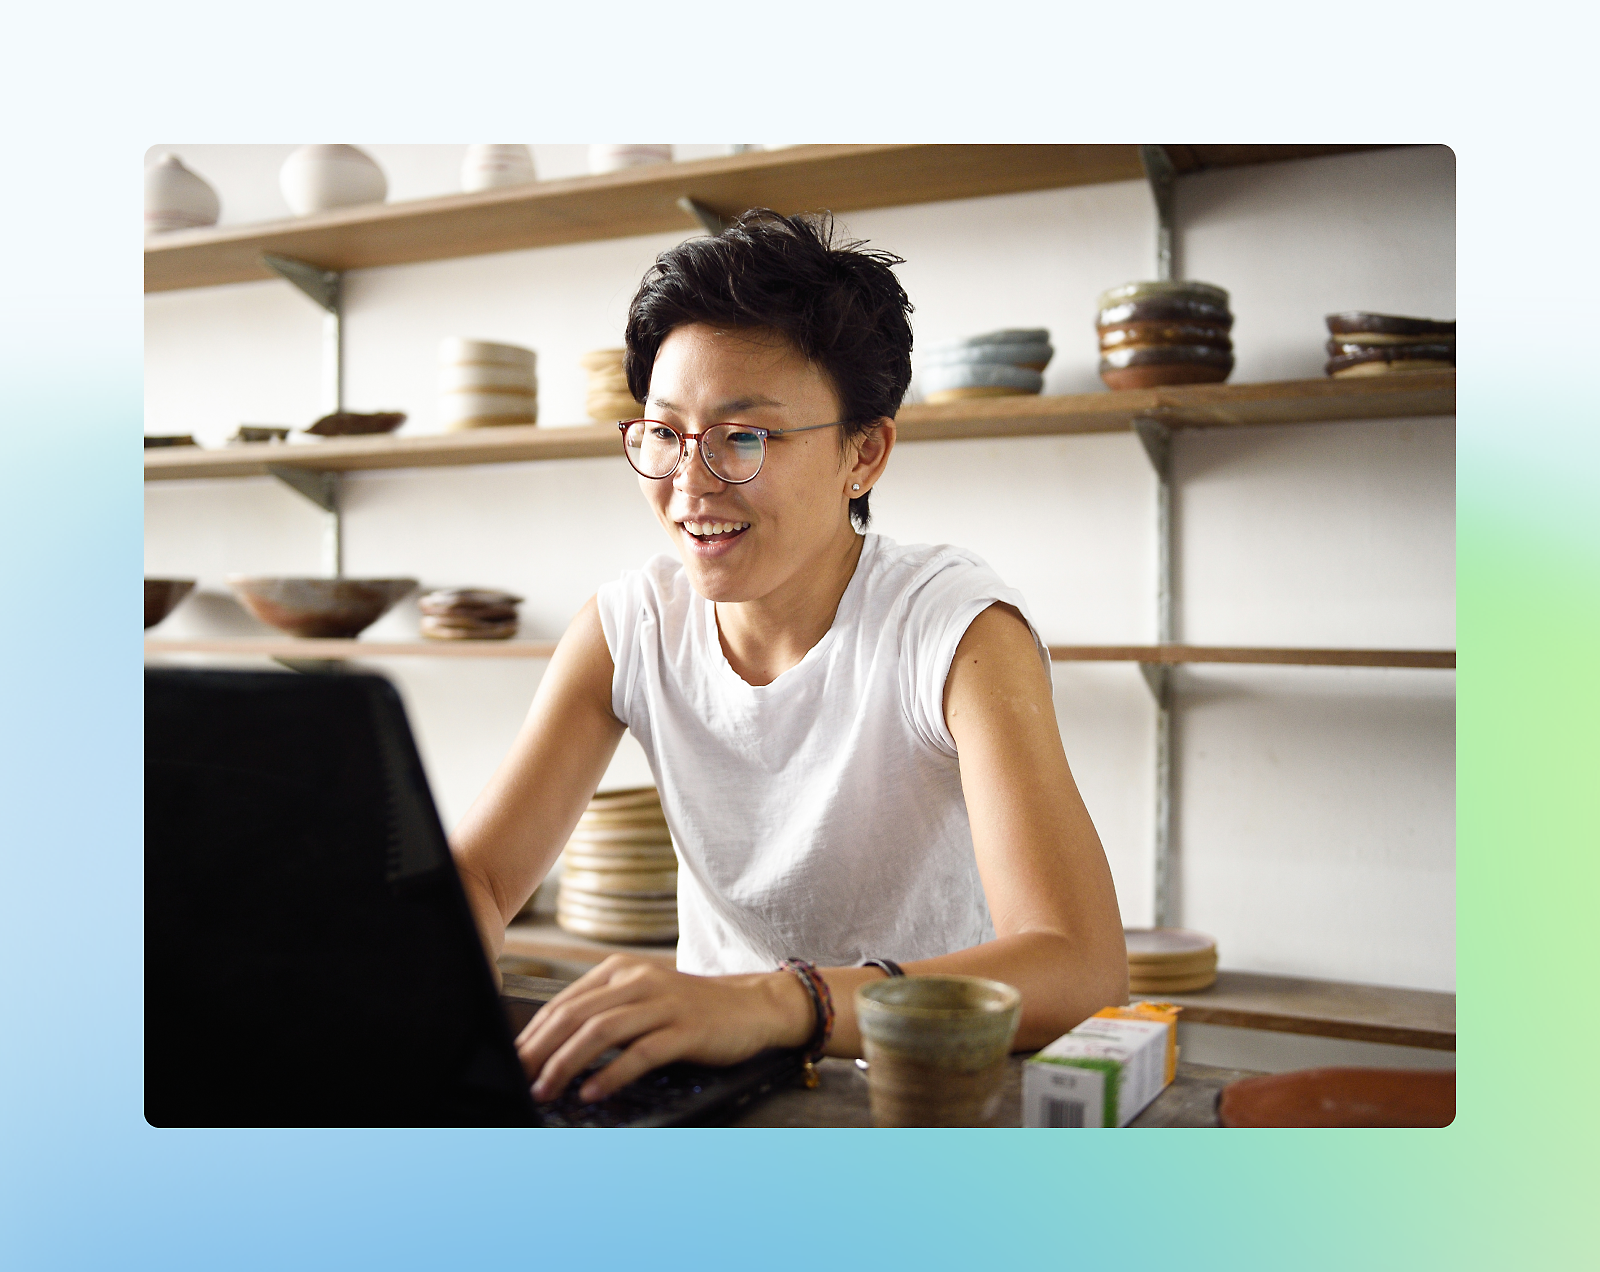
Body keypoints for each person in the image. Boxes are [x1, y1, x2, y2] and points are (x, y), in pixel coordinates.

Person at [450, 210, 1127, 1106]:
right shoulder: (629, 626)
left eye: (745, 437)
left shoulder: (954, 630)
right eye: (663, 433)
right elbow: (485, 877)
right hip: (709, 1091)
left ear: (865, 453)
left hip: (916, 1095)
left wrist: (780, 1001)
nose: (689, 485)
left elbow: (1079, 968)